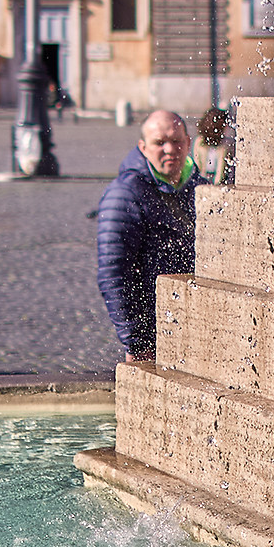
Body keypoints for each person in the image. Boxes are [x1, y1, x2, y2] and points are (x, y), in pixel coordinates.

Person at [94, 109, 204, 361]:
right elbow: (113, 273)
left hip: (194, 328)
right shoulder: (125, 194)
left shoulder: (200, 188)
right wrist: (136, 341)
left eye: (176, 141)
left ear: (188, 143)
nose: (169, 149)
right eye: (159, 143)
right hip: (149, 335)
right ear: (143, 147)